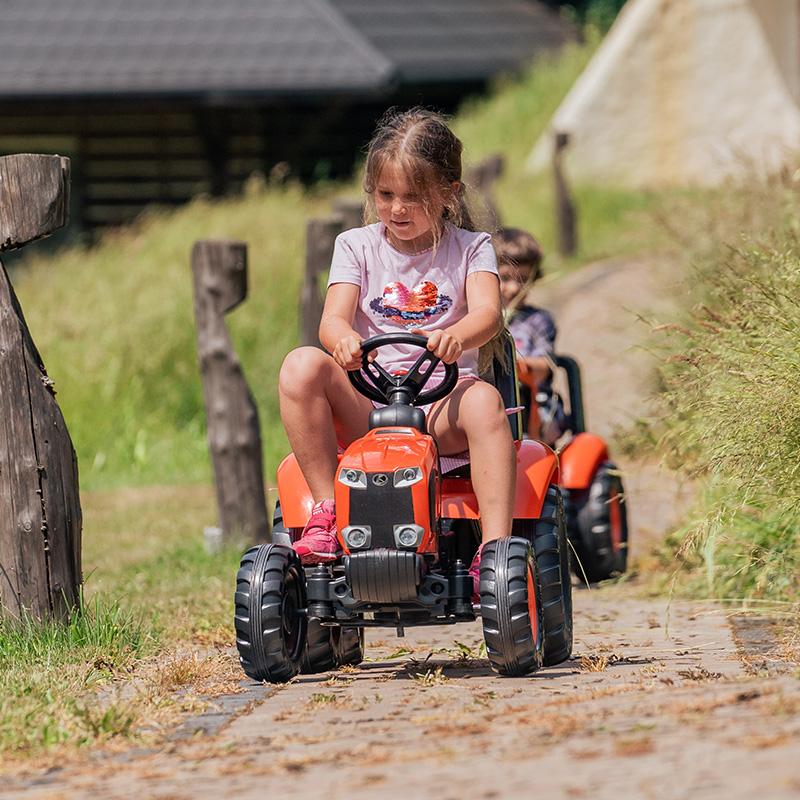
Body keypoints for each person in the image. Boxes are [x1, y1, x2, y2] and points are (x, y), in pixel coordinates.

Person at [278, 108, 514, 595]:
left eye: (414, 197)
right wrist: (341, 338)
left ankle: (495, 553)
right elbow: (332, 318)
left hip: (441, 405)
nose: (397, 209)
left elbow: (488, 312)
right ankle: (327, 512)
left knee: (486, 403)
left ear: (448, 192)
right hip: (371, 405)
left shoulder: (472, 247)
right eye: (386, 195)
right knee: (300, 365)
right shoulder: (356, 246)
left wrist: (461, 335)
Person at [494, 227, 565, 444]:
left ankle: (531, 453)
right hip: (492, 401)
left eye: (523, 279)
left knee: (544, 416)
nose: (514, 288)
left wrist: (512, 366)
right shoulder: (475, 320)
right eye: (504, 277)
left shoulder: (538, 321)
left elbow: (544, 367)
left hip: (534, 403)